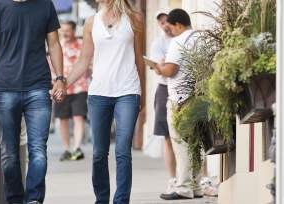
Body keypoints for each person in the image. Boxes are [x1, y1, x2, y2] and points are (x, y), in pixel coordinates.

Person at [0, 0, 66, 203]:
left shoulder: (45, 5)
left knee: (38, 151)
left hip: (38, 87)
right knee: (9, 155)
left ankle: (34, 199)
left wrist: (60, 78)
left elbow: (54, 44)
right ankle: (14, 200)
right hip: (5, 89)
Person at [65, 0, 146, 203]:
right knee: (99, 153)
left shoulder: (135, 18)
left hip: (128, 91)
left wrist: (141, 93)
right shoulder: (92, 22)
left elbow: (138, 58)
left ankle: (121, 201)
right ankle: (101, 199)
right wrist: (63, 84)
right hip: (99, 93)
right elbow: (84, 60)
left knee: (122, 150)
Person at [152, 8, 202, 200]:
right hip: (200, 96)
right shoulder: (201, 38)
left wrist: (158, 68)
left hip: (181, 98)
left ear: (178, 25)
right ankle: (196, 185)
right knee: (197, 143)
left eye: (170, 27)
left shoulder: (178, 41)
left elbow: (171, 70)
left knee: (181, 143)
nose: (169, 31)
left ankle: (182, 187)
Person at [53, 21, 90, 161]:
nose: (65, 33)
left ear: (74, 30)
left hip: (80, 86)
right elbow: (51, 64)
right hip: (60, 87)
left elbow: (89, 63)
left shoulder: (82, 45)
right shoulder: (58, 45)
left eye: (68, 30)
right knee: (63, 118)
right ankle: (67, 149)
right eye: (63, 31)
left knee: (78, 116)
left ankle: (77, 148)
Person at [149, 10, 177, 195]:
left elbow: (167, 67)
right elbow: (159, 69)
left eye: (167, 21)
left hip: (184, 88)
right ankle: (173, 179)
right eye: (161, 23)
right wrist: (162, 68)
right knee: (167, 136)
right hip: (164, 89)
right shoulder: (158, 43)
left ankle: (199, 178)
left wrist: (165, 67)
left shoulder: (181, 38)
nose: (165, 25)